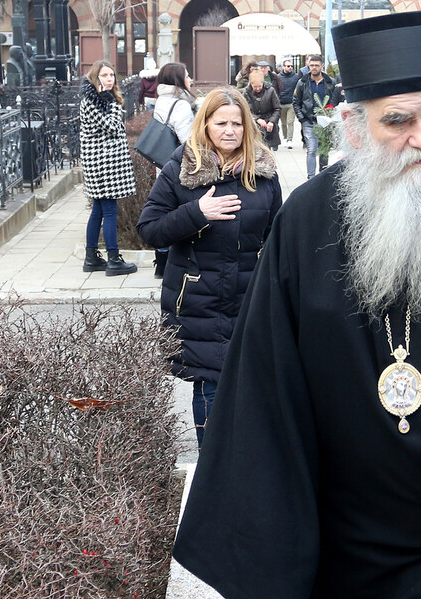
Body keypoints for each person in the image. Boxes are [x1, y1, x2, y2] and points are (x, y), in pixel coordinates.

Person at [171, 10, 421, 597]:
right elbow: (266, 390)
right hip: (344, 553)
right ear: (354, 127)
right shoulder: (306, 222)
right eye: (398, 121)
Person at [137, 86, 283, 448]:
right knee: (212, 388)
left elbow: (278, 234)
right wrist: (196, 213)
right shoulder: (181, 168)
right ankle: (211, 475)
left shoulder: (263, 170)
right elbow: (150, 230)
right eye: (221, 123)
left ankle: (244, 476)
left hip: (250, 300)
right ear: (205, 125)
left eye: (236, 123)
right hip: (199, 301)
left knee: (252, 391)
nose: (229, 130)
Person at [79, 60, 138, 277]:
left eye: (112, 75)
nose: (109, 79)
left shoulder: (102, 99)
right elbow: (112, 126)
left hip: (104, 162)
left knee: (98, 209)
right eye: (104, 75)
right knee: (110, 210)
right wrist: (112, 101)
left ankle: (91, 257)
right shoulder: (92, 101)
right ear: (96, 77)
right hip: (102, 164)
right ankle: (114, 259)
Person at [150, 62, 198, 279]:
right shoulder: (180, 105)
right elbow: (188, 140)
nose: (190, 79)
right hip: (181, 169)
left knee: (165, 212)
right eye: (187, 76)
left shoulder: (162, 99)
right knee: (180, 217)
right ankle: (171, 264)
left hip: (163, 166)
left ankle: (160, 262)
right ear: (179, 79)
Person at [293, 54, 340, 178]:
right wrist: (302, 119)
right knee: (312, 149)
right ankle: (311, 177)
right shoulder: (302, 82)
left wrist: (331, 115)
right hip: (309, 121)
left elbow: (334, 100)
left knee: (324, 151)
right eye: (311, 65)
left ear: (322, 66)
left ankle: (322, 176)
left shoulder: (330, 82)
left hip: (325, 121)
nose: (314, 68)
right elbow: (296, 101)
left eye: (316, 65)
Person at [244, 69, 281, 151]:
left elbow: (277, 108)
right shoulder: (246, 92)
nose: (257, 89)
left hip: (268, 123)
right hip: (253, 124)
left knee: (267, 151)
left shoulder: (270, 90)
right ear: (251, 84)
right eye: (255, 87)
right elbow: (246, 110)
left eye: (260, 86)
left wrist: (272, 121)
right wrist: (257, 119)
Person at [277, 58, 302, 149]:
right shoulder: (278, 77)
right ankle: (285, 138)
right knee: (283, 122)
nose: (290, 67)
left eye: (291, 66)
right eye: (288, 66)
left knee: (290, 122)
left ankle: (290, 140)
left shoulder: (296, 77)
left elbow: (298, 89)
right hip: (281, 102)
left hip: (291, 103)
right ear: (283, 67)